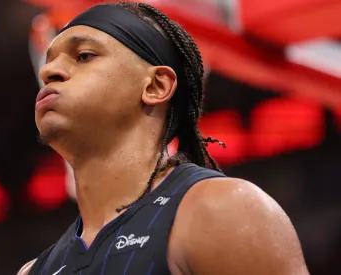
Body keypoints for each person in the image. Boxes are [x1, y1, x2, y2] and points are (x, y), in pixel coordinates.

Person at [20, 2, 309, 274]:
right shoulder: (35, 270)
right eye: (49, 61)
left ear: (156, 86)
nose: (48, 71)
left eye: (84, 56)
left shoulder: (223, 210)